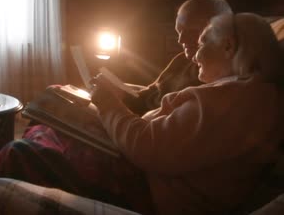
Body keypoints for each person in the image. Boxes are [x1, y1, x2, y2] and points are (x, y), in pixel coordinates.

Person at [0, 0, 232, 209]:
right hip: (128, 121)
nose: (182, 42)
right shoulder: (182, 61)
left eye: (192, 33)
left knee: (20, 151)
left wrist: (111, 104)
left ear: (221, 33)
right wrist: (119, 89)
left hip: (131, 139)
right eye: (179, 33)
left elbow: (155, 138)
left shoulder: (215, 84)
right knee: (53, 103)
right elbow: (150, 92)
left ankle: (11, 192)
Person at [87, 12, 284, 214]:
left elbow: (148, 146)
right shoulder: (248, 94)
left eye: (201, 44)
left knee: (56, 130)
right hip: (140, 167)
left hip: (148, 189)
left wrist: (107, 104)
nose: (195, 56)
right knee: (61, 103)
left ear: (227, 46)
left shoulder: (236, 99)